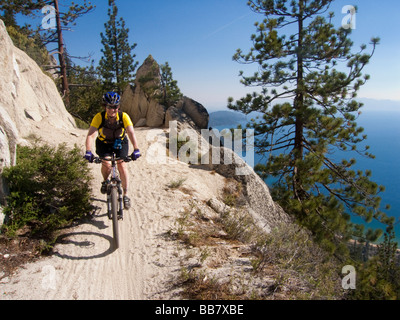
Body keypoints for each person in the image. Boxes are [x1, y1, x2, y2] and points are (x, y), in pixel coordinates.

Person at [84, 92, 141, 210]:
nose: (112, 110)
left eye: (115, 106)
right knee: (107, 165)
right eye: (110, 107)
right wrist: (88, 151)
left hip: (120, 143)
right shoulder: (99, 117)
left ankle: (125, 195)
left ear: (118, 107)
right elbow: (91, 135)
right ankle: (105, 181)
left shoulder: (124, 116)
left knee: (122, 166)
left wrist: (136, 149)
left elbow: (131, 132)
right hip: (103, 143)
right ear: (105, 106)